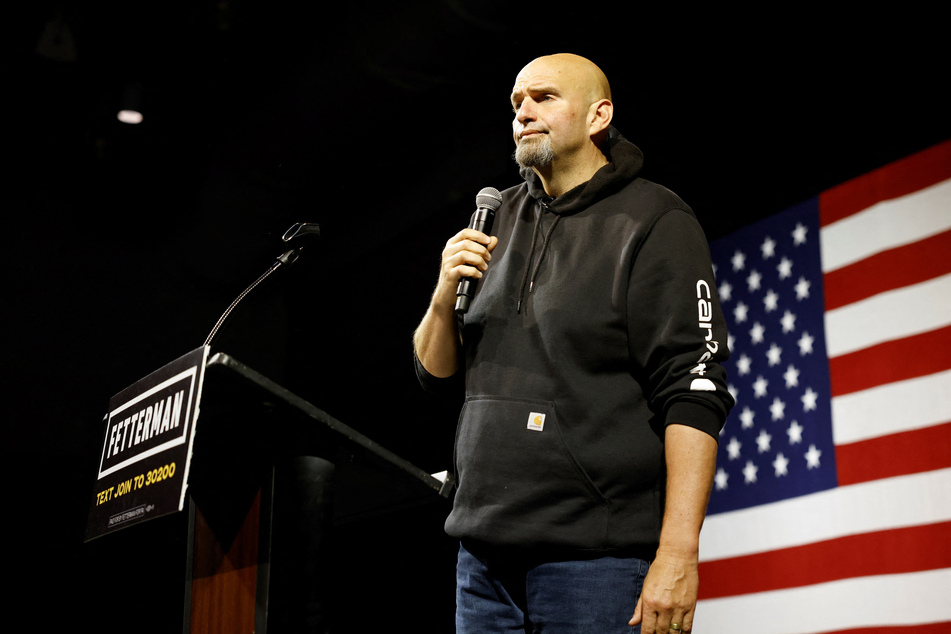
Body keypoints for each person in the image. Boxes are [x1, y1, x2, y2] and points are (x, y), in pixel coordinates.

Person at [412, 53, 733, 634]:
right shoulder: (495, 218)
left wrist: (679, 554)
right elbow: (434, 373)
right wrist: (441, 295)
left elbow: (695, 388)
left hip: (596, 564)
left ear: (597, 115)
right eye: (516, 103)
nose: (523, 112)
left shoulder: (655, 219)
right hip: (481, 561)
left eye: (544, 98)